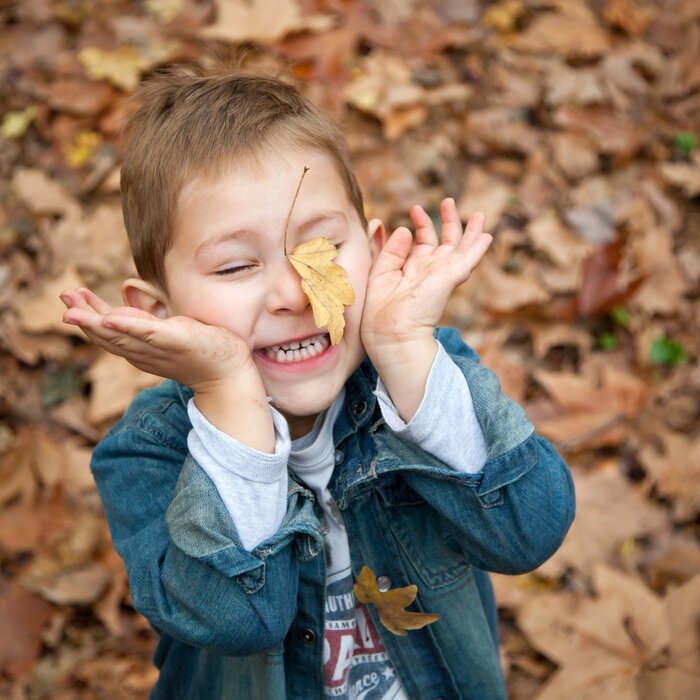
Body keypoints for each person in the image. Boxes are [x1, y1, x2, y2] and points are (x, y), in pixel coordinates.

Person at [60, 65, 575, 700]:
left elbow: (530, 533)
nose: (293, 294)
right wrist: (229, 392)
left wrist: (406, 354)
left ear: (376, 250)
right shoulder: (144, 454)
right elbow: (238, 618)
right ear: (160, 312)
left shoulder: (424, 377)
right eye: (237, 265)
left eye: (324, 251)